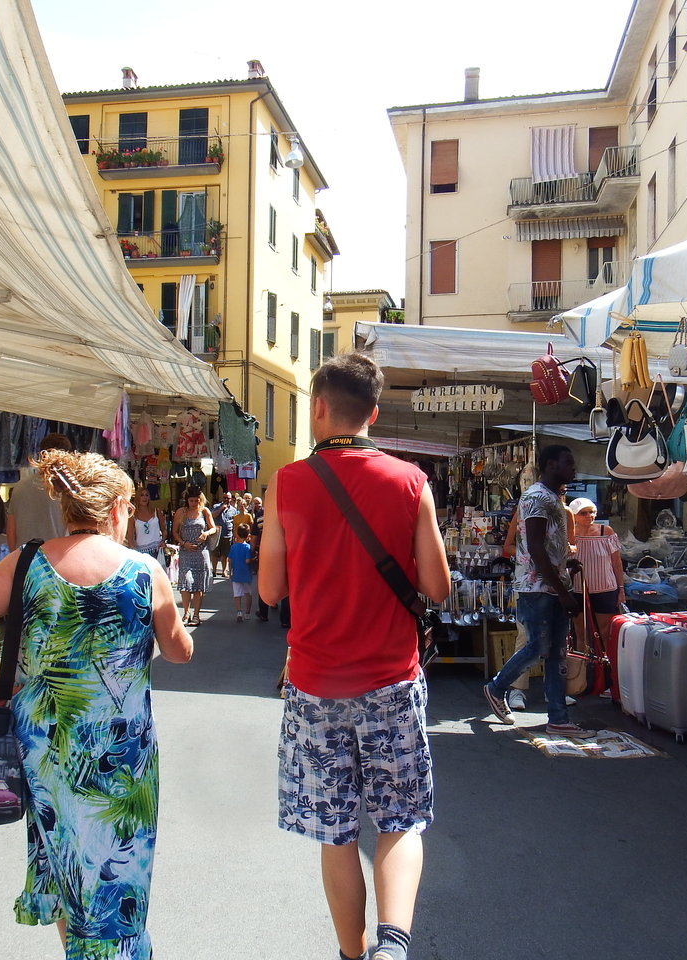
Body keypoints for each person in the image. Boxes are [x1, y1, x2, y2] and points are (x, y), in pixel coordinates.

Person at [0, 449, 192, 960]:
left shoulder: (26, 563)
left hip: (45, 745)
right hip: (120, 753)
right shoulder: (144, 570)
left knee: (65, 861)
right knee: (117, 871)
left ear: (67, 509)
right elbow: (179, 652)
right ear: (117, 508)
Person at [258, 352, 451, 960]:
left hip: (315, 685)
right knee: (400, 820)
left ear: (318, 408)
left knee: (336, 833)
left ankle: (351, 952)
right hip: (392, 681)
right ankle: (392, 947)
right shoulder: (410, 481)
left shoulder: (288, 483)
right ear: (373, 413)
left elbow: (269, 590)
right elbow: (437, 586)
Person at [483, 445, 595, 739]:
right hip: (538, 589)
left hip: (552, 585)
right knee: (538, 646)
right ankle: (497, 687)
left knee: (557, 653)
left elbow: (545, 545)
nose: (573, 468)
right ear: (550, 464)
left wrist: (565, 564)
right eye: (568, 462)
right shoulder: (536, 497)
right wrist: (562, 591)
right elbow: (534, 547)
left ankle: (558, 718)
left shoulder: (553, 499)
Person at [567, 497, 625, 672]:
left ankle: (606, 672)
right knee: (581, 633)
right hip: (578, 589)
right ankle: (582, 674)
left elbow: (617, 563)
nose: (588, 516)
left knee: (604, 633)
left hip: (605, 588)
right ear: (574, 516)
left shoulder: (606, 532)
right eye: (583, 513)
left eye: (591, 512)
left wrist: (621, 589)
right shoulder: (568, 535)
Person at [6, 433, 72, 550]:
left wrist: (15, 556)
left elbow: (11, 530)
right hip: (54, 556)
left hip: (24, 557)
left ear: (41, 455)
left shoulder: (19, 487)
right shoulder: (67, 491)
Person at [172, 487, 217, 626]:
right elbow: (174, 532)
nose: (193, 503)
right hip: (186, 551)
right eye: (191, 501)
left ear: (200, 500)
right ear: (187, 500)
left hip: (201, 552)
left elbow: (213, 528)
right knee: (185, 582)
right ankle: (186, 613)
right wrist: (183, 543)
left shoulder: (204, 511)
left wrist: (206, 533)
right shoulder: (181, 512)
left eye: (196, 501)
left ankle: (196, 614)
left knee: (198, 585)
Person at [126, 488, 165, 564]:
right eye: (142, 495)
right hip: (141, 553)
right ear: (138, 497)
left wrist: (163, 540)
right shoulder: (132, 515)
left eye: (146, 495)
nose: (144, 497)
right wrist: (135, 555)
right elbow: (130, 537)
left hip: (157, 550)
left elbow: (164, 530)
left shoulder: (156, 511)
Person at [228, 522, 254, 622]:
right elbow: (247, 561)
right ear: (248, 536)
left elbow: (230, 560)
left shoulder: (233, 547)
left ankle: (239, 612)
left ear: (237, 534)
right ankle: (247, 613)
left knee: (237, 594)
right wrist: (253, 559)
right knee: (248, 594)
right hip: (246, 574)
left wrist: (230, 571)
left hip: (236, 574)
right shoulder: (247, 547)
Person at [212, 492, 238, 577]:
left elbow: (235, 523)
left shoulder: (233, 510)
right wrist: (221, 508)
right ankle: (214, 571)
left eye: (228, 498)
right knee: (215, 553)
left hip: (227, 534)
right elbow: (213, 516)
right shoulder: (216, 506)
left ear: (231, 499)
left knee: (225, 554)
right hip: (216, 534)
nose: (226, 500)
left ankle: (224, 571)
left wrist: (235, 535)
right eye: (225, 498)